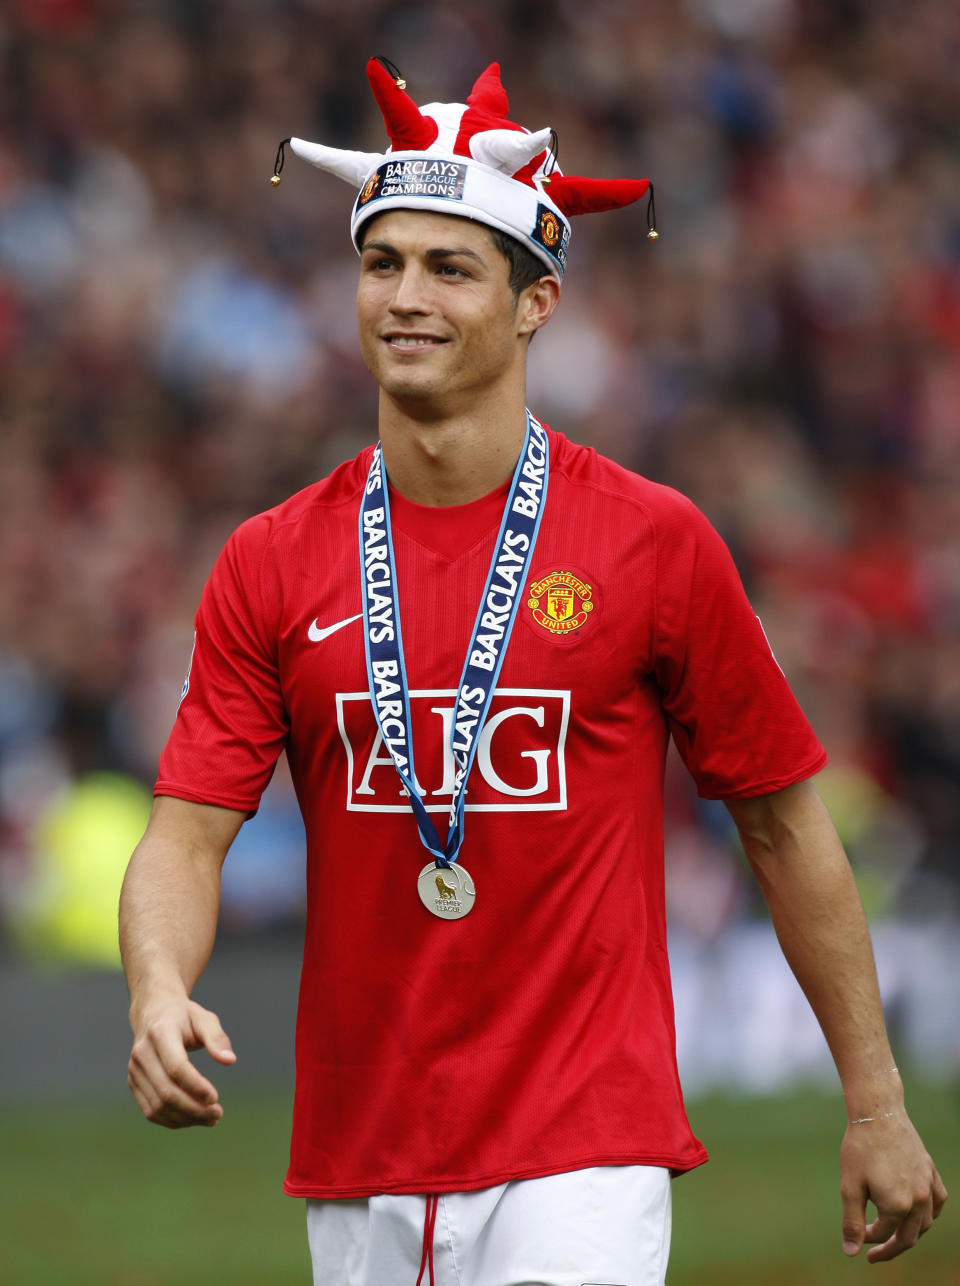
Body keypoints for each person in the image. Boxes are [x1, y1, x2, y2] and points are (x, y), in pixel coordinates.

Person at [119, 58, 945, 1286]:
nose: (406, 295)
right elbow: (186, 836)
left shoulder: (655, 542)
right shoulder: (270, 559)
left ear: (535, 303)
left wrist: (874, 1097)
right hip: (359, 1153)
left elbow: (782, 826)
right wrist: (155, 991)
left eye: (451, 267)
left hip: (585, 1148)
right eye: (381, 260)